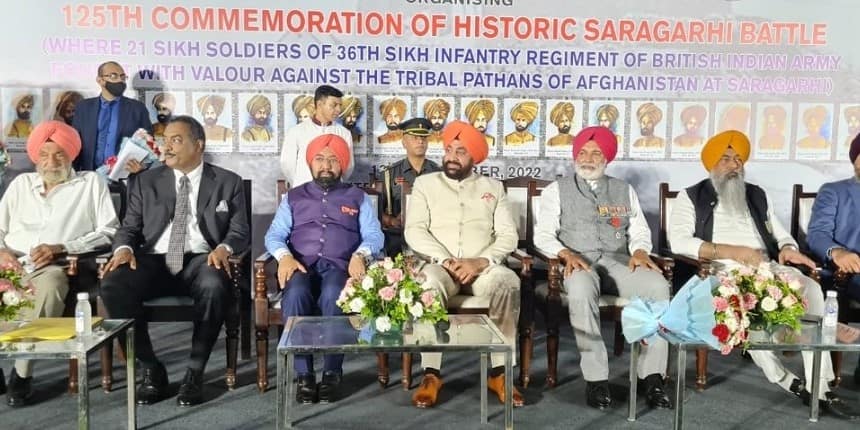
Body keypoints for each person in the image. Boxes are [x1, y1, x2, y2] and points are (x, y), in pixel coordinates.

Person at [668, 130, 858, 419]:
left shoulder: (756, 194)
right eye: (726, 159)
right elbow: (679, 242)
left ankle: (820, 387)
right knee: (748, 310)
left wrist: (788, 248)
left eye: (738, 160)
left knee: (810, 289)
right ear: (710, 164)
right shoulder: (691, 195)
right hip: (721, 271)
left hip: (766, 267)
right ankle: (789, 381)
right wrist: (731, 251)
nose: (734, 165)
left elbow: (780, 235)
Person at [99, 115, 249, 407]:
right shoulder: (145, 181)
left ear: (199, 145)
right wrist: (123, 250)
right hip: (154, 258)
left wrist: (225, 248)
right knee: (113, 284)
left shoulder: (227, 182)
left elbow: (240, 230)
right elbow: (129, 228)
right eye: (165, 140)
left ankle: (195, 372)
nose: (167, 147)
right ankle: (150, 367)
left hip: (200, 258)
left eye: (176, 140)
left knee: (214, 282)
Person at [534, 126, 672, 410]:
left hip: (618, 261)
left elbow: (640, 231)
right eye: (582, 152)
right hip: (578, 262)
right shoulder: (555, 191)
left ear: (606, 158)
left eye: (596, 153)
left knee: (659, 286)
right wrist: (564, 254)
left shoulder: (624, 189)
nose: (588, 158)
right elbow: (543, 235)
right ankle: (597, 380)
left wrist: (641, 251)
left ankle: (652, 376)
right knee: (582, 288)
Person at [405, 120, 523, 408]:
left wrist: (482, 261)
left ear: (474, 158)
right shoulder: (425, 184)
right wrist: (446, 260)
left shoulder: (492, 187)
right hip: (439, 265)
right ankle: (431, 373)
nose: (451, 157)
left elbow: (508, 235)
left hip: (481, 267)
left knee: (508, 282)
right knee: (428, 283)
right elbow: (414, 230)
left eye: (460, 152)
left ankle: (500, 372)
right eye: (448, 150)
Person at [0, 120, 119, 406]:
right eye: (44, 154)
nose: (50, 162)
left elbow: (108, 231)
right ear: (34, 156)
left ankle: (22, 371)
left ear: (71, 154)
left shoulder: (89, 183)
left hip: (53, 264)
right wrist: (2, 252)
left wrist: (61, 247)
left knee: (52, 284)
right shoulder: (20, 184)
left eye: (59, 154)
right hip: (10, 260)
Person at [265, 133, 383, 404]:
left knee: (334, 295)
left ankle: (332, 373)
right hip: (300, 266)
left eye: (333, 159)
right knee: (295, 295)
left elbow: (375, 236)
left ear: (342, 165)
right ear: (310, 162)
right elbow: (274, 235)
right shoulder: (293, 197)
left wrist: (360, 255)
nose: (326, 165)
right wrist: (283, 257)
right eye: (320, 158)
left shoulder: (358, 197)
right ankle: (304, 375)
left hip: (340, 267)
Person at [807, 134, 860, 386]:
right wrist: (838, 253)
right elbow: (817, 234)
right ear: (856, 160)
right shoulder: (834, 191)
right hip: (843, 274)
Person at [72, 61, 152, 172]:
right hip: (89, 175)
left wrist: (142, 165)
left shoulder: (137, 109)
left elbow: (148, 144)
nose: (120, 80)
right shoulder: (84, 108)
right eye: (113, 76)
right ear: (100, 80)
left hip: (124, 176)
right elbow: (74, 142)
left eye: (123, 77)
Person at [379, 117, 440, 256]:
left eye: (424, 138)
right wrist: (392, 221)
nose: (420, 141)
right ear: (404, 142)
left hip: (431, 238)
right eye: (414, 137)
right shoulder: (389, 174)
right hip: (397, 240)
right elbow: (375, 211)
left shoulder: (439, 174)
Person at [280, 85, 353, 187]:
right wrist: (300, 181)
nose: (338, 110)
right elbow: (287, 164)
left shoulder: (344, 133)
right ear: (319, 105)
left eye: (340, 105)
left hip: (334, 192)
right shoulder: (296, 131)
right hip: (304, 192)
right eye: (334, 105)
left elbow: (348, 167)